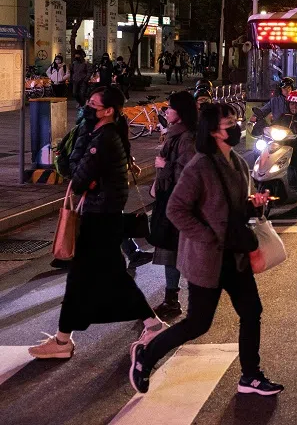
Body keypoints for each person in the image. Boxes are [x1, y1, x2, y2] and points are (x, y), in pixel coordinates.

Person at [130, 103, 283, 396]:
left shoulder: (237, 162)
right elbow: (176, 209)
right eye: (229, 123)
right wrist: (207, 236)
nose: (236, 126)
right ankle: (147, 356)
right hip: (209, 258)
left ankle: (251, 376)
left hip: (235, 255)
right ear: (213, 131)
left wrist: (254, 203)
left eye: (236, 121)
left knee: (252, 311)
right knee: (198, 323)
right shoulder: (199, 166)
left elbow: (235, 206)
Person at [28, 87, 165, 360]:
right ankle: (64, 339)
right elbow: (81, 175)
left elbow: (77, 178)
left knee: (95, 277)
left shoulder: (103, 139)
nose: (87, 108)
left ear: (108, 111)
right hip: (102, 215)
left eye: (93, 104)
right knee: (86, 278)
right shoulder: (102, 134)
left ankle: (66, 340)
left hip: (100, 217)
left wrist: (71, 162)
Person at [151, 91, 198, 319]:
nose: (166, 111)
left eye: (170, 108)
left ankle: (176, 300)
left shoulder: (187, 138)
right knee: (172, 251)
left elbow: (188, 173)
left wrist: (164, 165)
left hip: (179, 202)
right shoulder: (174, 134)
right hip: (169, 199)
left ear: (180, 113)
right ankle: (172, 299)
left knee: (175, 251)